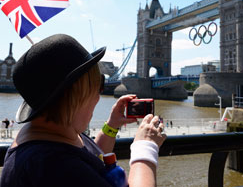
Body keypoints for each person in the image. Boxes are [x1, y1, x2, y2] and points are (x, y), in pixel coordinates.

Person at [0, 34, 166, 187]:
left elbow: (92, 158)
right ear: (74, 97)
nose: (98, 98)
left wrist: (111, 126)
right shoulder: (52, 167)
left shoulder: (57, 132)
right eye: (97, 87)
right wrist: (145, 147)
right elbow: (77, 170)